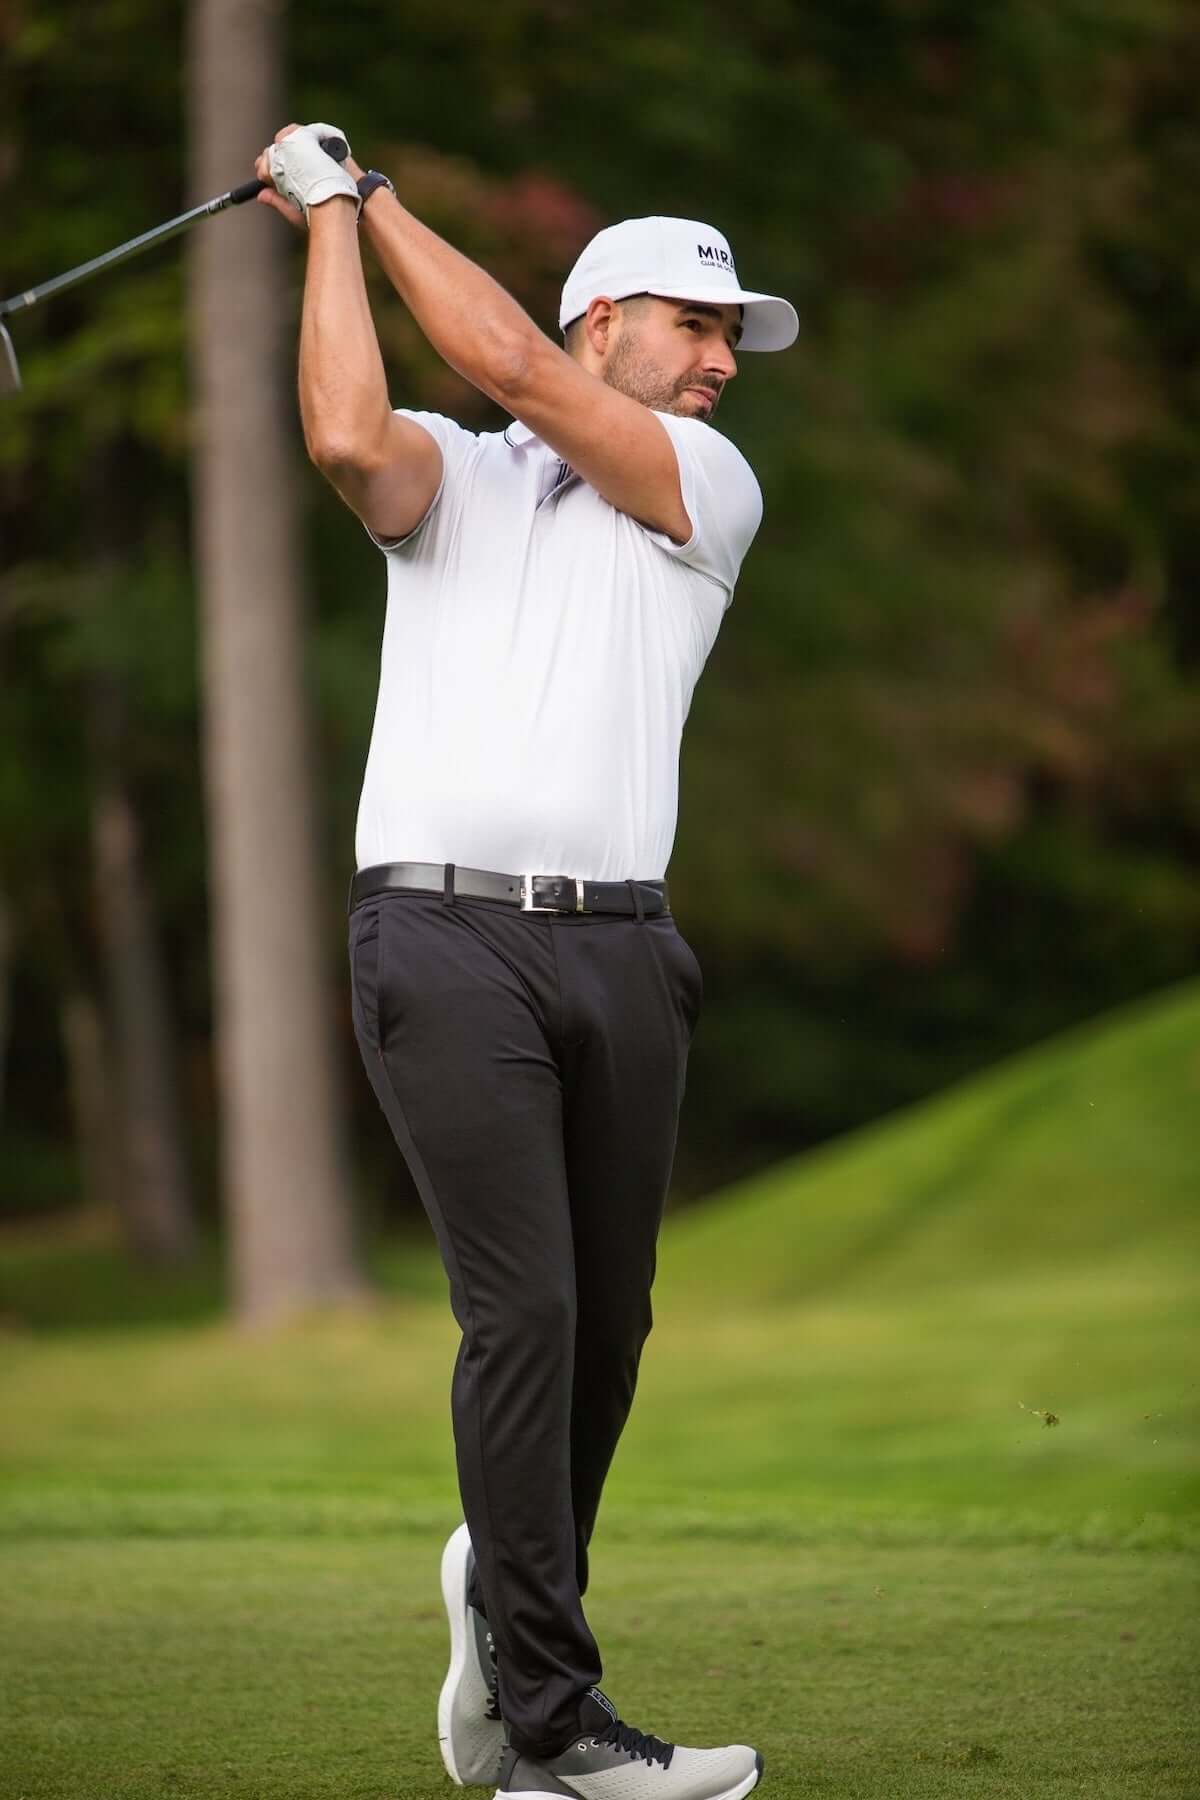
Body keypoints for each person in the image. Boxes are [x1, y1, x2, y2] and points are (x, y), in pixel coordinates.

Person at [256, 121, 798, 1800]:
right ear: (603, 322)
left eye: (730, 337)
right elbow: (348, 434)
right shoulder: (456, 474)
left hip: (626, 949)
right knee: (529, 1310)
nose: (721, 361)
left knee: (608, 1330)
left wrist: (364, 195)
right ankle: (553, 1732)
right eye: (694, 325)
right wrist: (326, 229)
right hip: (440, 935)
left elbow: (505, 358)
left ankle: (505, 1594)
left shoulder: (702, 482)